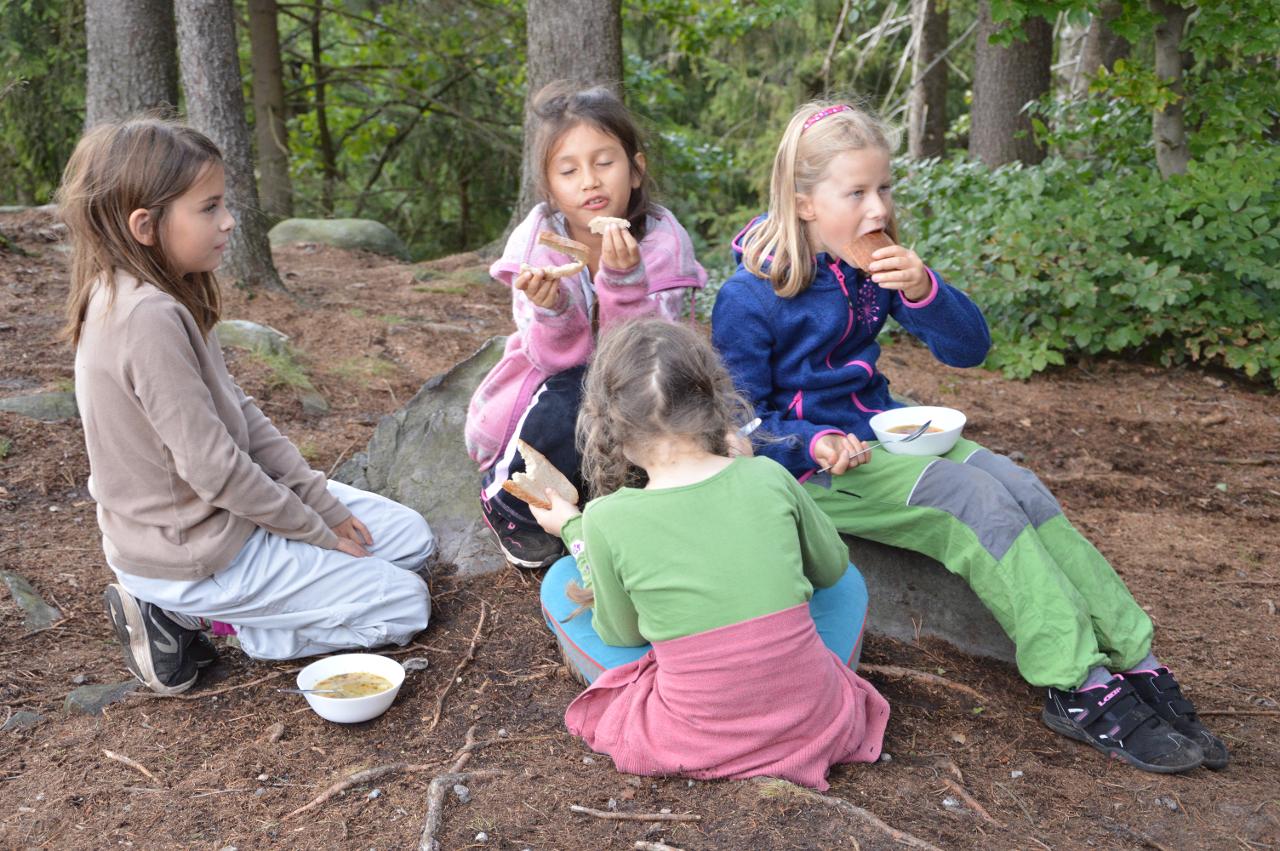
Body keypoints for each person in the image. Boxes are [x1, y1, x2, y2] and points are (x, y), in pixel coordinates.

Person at [710, 100, 1227, 773]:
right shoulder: (749, 296)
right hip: (819, 470)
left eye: (884, 188)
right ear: (804, 202)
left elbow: (968, 349)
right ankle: (1075, 681)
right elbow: (738, 424)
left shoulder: (871, 268)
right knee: (975, 500)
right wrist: (812, 444)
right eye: (857, 193)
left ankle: (1135, 656)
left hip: (888, 433)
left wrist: (924, 289)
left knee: (1020, 487)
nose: (878, 208)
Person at [58, 118, 433, 695]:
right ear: (145, 226)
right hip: (194, 553)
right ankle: (189, 618)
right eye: (209, 208)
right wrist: (315, 534)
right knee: (405, 604)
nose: (229, 220)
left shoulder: (166, 291)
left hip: (231, 518)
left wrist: (323, 506)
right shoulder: (145, 319)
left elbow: (242, 415)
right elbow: (216, 470)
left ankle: (250, 602)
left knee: (411, 540)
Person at [529, 319, 888, 791]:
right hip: (815, 719)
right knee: (847, 583)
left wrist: (573, 530)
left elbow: (623, 633)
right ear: (714, 401)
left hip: (694, 733)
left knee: (560, 582)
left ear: (609, 425)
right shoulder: (767, 476)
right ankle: (799, 691)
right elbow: (831, 568)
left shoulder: (604, 519)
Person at [465, 83, 706, 569]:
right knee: (573, 391)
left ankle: (619, 500)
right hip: (559, 379)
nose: (589, 182)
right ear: (549, 186)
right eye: (569, 170)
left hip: (642, 377)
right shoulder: (539, 245)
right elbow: (555, 359)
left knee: (669, 411)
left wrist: (624, 282)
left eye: (604, 162)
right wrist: (553, 308)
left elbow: (649, 352)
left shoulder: (663, 242)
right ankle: (512, 503)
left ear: (635, 169)